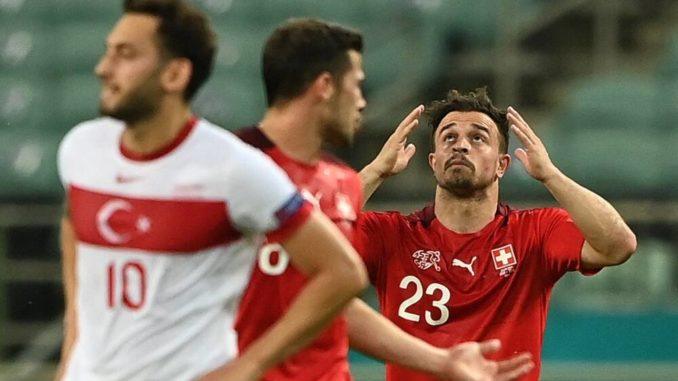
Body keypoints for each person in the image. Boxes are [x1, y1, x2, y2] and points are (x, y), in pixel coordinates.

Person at [55, 2, 368, 381]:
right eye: (109, 52)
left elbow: (343, 272)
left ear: (174, 74)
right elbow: (76, 229)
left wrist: (249, 366)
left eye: (126, 54)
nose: (103, 69)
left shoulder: (235, 168)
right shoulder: (80, 149)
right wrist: (74, 350)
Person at [235, 19, 534, 381]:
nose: (362, 101)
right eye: (357, 86)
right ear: (325, 87)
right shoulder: (226, 171)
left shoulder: (339, 181)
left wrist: (443, 362)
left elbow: (333, 304)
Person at [356, 88, 638, 380]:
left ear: (503, 165)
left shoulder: (535, 233)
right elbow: (308, 238)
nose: (461, 146)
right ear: (433, 162)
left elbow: (618, 246)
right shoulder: (390, 235)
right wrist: (376, 170)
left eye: (477, 138)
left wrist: (551, 175)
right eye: (449, 137)